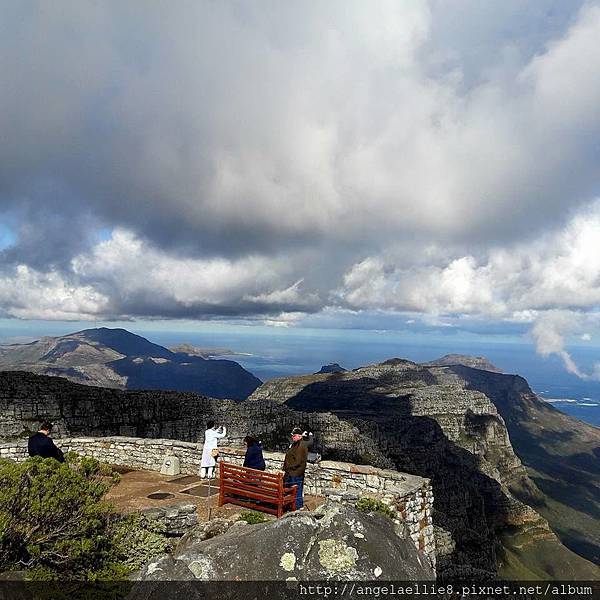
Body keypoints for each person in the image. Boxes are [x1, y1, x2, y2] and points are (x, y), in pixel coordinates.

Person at [283, 427, 312, 510]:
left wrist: (289, 467)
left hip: (295, 472)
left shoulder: (301, 445)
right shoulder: (296, 444)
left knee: (296, 490)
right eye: (292, 436)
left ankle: (297, 506)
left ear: (299, 436)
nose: (292, 437)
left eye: (294, 436)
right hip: (294, 472)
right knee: (296, 489)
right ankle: (296, 505)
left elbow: (298, 461)